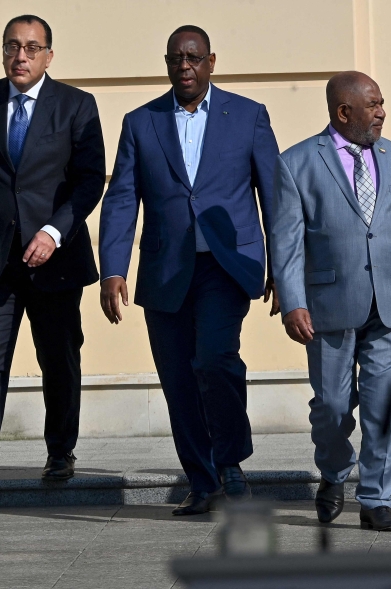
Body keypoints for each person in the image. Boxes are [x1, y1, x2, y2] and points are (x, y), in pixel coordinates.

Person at [99, 25, 279, 516]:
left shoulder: (248, 116)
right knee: (178, 378)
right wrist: (113, 269)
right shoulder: (141, 122)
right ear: (167, 64)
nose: (185, 66)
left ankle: (231, 462)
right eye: (176, 58)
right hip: (165, 270)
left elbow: (275, 198)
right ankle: (203, 482)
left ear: (211, 62)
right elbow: (121, 200)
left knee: (215, 360)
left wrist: (282, 270)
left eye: (194, 58)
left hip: (227, 265)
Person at [270, 71, 391, 531]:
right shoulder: (297, 162)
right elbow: (286, 242)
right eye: (373, 104)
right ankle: (333, 471)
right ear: (344, 112)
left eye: (382, 103)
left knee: (385, 404)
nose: (382, 112)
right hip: (328, 306)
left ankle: (377, 498)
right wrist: (293, 302)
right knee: (332, 406)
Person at [0, 15, 104, 481]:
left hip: (55, 260)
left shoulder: (76, 105)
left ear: (48, 56)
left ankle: (61, 451)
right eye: (11, 46)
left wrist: (53, 232)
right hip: (1, 262)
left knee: (59, 358)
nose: (19, 56)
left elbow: (89, 181)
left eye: (31, 48)